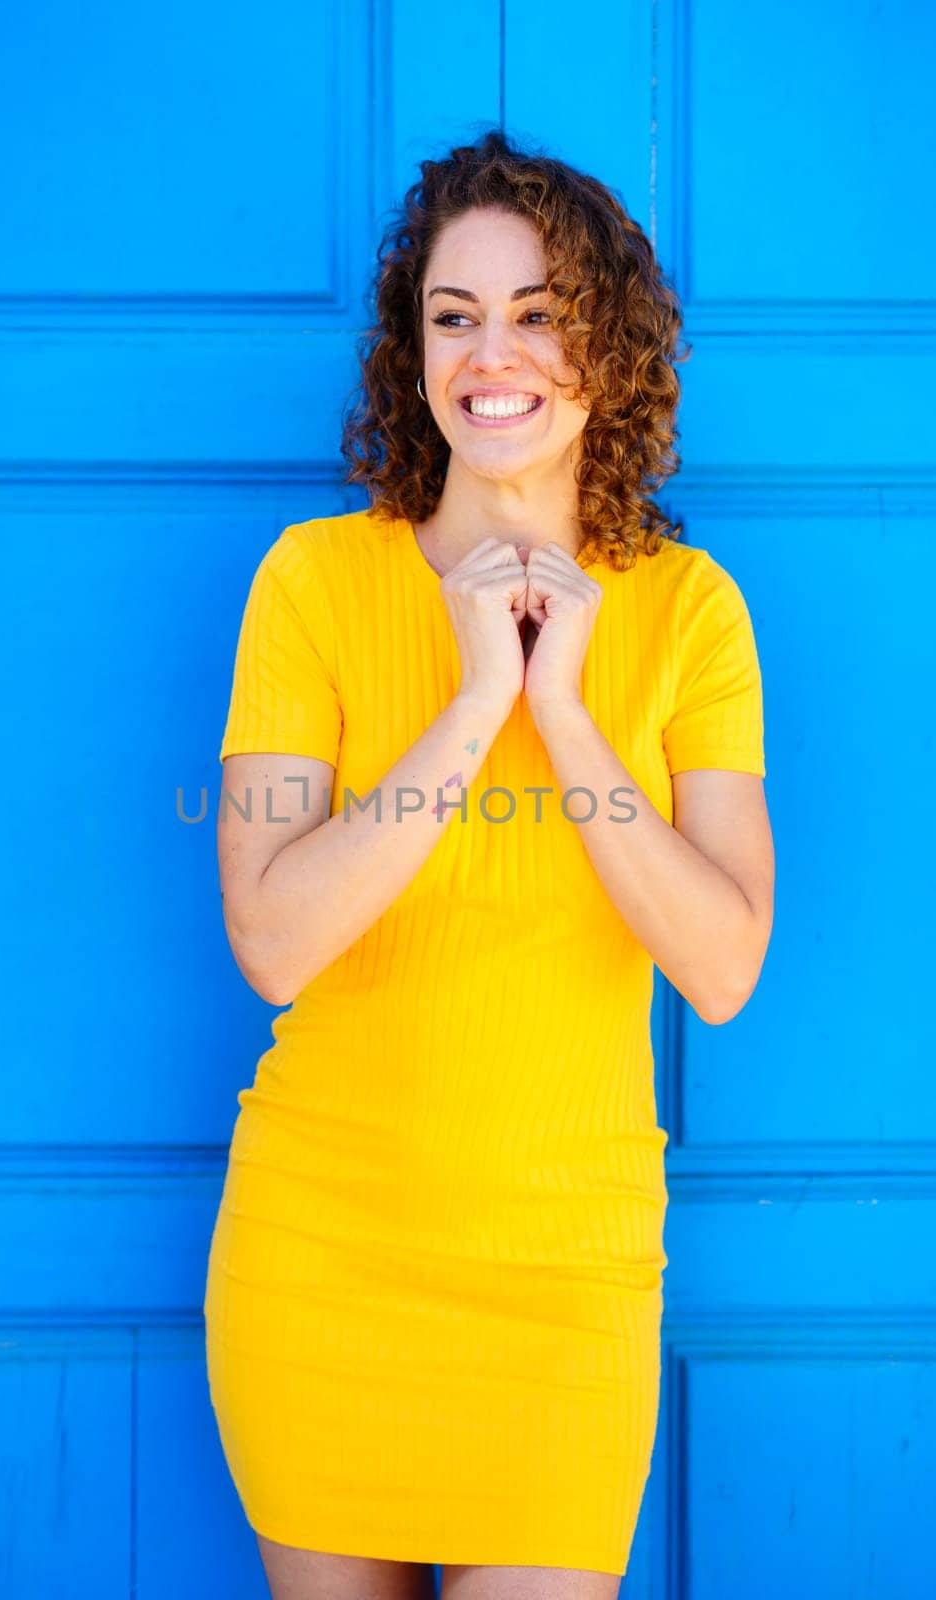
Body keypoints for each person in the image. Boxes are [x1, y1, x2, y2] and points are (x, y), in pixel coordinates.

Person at [203, 128, 774, 1600]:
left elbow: (720, 967)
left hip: (563, 1275)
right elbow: (272, 939)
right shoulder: (315, 583)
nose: (491, 353)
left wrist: (564, 709)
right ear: (414, 349)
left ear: (610, 345)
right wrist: (472, 700)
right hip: (323, 1253)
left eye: (537, 313)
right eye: (453, 315)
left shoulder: (693, 613)